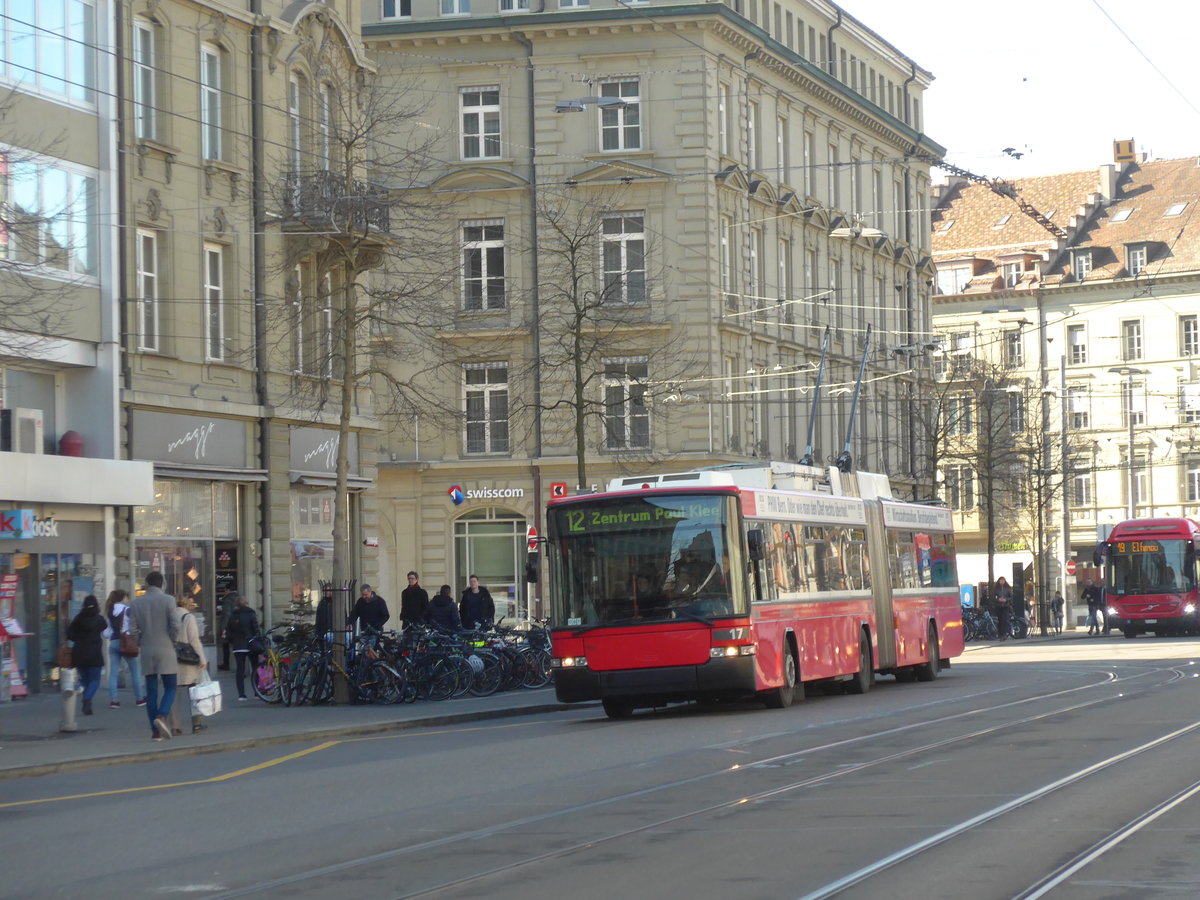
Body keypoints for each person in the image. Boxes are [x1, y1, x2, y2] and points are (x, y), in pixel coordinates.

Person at [128, 571, 179, 742]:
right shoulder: (168, 600)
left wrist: (140, 642)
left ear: (147, 584)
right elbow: (175, 624)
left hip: (147, 649)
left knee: (151, 691)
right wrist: (172, 640)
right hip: (166, 647)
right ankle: (162, 715)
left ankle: (155, 731)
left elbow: (132, 630)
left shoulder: (136, 603)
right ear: (162, 583)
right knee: (171, 686)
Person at [169, 597, 208, 735]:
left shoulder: (169, 616)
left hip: (172, 658)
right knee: (195, 692)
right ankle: (196, 724)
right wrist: (202, 659)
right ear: (187, 605)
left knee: (173, 694)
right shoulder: (188, 617)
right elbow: (194, 640)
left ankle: (175, 727)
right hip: (188, 660)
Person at [104, 588, 146, 708]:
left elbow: (108, 630)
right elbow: (133, 626)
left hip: (114, 642)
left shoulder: (110, 610)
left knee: (113, 673)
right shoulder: (128, 609)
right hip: (127, 642)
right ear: (123, 598)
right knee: (135, 672)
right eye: (126, 597)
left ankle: (114, 700)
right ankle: (140, 698)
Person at [66, 594, 106, 716]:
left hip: (79, 652)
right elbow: (105, 628)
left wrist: (78, 638)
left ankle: (87, 700)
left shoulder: (78, 619)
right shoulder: (99, 620)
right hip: (94, 653)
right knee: (95, 680)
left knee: (85, 679)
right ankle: (87, 699)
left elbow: (69, 634)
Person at [224, 592, 260, 701]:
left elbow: (228, 631)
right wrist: (256, 639)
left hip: (238, 646)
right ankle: (257, 692)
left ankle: (241, 694)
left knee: (240, 670)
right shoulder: (251, 613)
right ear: (246, 603)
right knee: (255, 667)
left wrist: (233, 641)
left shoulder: (233, 615)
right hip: (251, 644)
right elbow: (256, 629)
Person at [993, 576, 1013, 641]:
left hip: (1006, 606)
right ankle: (1000, 634)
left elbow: (1011, 596)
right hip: (999, 606)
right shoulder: (996, 588)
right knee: (1000, 620)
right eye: (1001, 580)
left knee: (1005, 620)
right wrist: (998, 599)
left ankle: (1004, 634)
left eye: (1003, 580)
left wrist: (1006, 599)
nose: (1002, 581)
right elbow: (993, 596)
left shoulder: (1007, 588)